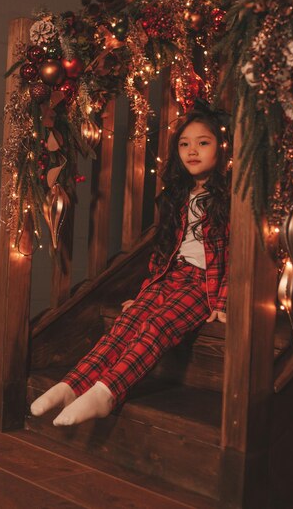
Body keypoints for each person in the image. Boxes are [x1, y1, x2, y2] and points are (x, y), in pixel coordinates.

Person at [30, 107, 231, 426]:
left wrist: (222, 301)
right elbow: (163, 253)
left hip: (201, 285)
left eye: (203, 143)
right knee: (129, 320)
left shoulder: (230, 200)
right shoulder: (178, 197)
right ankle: (73, 385)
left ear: (222, 148)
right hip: (169, 278)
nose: (192, 151)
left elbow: (235, 259)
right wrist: (145, 293)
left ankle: (107, 391)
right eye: (184, 144)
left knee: (156, 327)